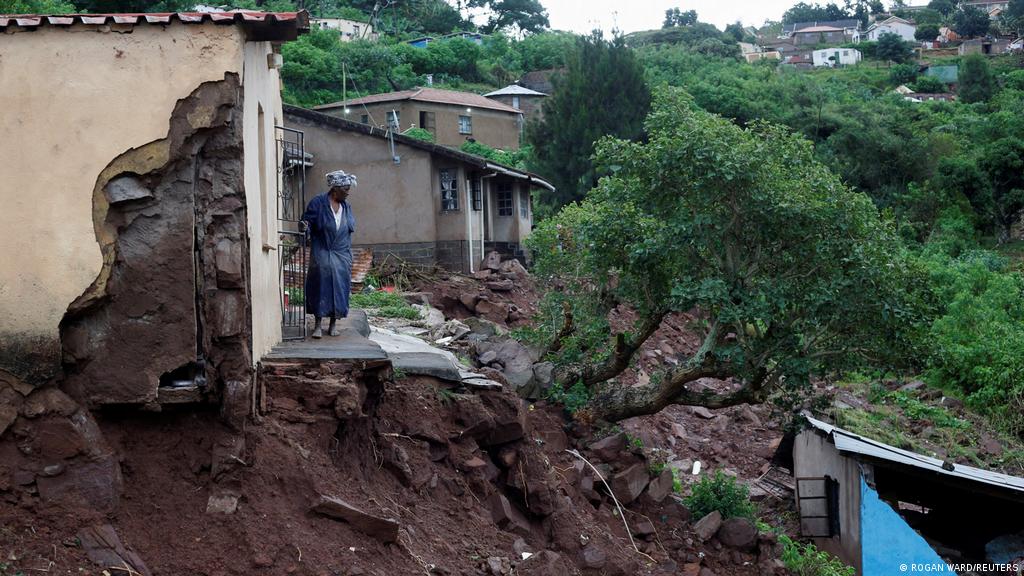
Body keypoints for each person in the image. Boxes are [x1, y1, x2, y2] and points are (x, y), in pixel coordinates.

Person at [302, 170, 356, 339]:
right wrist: (305, 229)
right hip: (322, 250)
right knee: (320, 284)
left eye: (348, 188)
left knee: (340, 287)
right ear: (335, 189)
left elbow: (348, 230)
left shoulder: (346, 206)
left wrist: (348, 257)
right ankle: (318, 324)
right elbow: (307, 223)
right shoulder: (318, 203)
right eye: (345, 189)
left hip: (341, 253)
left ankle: (333, 323)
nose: (348, 192)